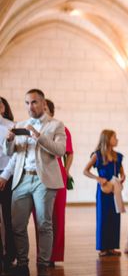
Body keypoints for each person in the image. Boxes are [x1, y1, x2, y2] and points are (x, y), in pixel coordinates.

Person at [0, 89, 66, 276]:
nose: (31, 107)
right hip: (21, 179)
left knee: (44, 224)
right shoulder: (20, 124)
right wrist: (9, 141)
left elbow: (60, 150)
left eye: (34, 102)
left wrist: (39, 136)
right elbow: (12, 154)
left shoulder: (56, 125)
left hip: (43, 180)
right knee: (17, 225)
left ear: (43, 103)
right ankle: (22, 264)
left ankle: (43, 264)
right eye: (27, 103)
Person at [83, 129, 125, 257]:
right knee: (103, 217)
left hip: (115, 189)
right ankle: (103, 248)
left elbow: (122, 172)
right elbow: (85, 171)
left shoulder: (118, 156)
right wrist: (98, 178)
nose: (116, 139)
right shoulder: (97, 155)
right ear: (107, 139)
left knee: (115, 216)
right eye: (114, 137)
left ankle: (112, 247)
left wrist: (122, 178)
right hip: (103, 190)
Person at [43, 98, 73, 265]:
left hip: (58, 173)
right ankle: (43, 255)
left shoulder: (62, 128)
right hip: (38, 175)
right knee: (41, 218)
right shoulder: (33, 128)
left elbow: (70, 152)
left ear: (51, 112)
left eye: (45, 108)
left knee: (57, 216)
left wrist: (66, 171)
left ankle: (53, 256)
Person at [0, 96, 16, 272]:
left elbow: (14, 156)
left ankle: (10, 254)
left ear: (3, 107)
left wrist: (5, 176)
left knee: (8, 218)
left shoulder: (11, 126)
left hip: (7, 175)